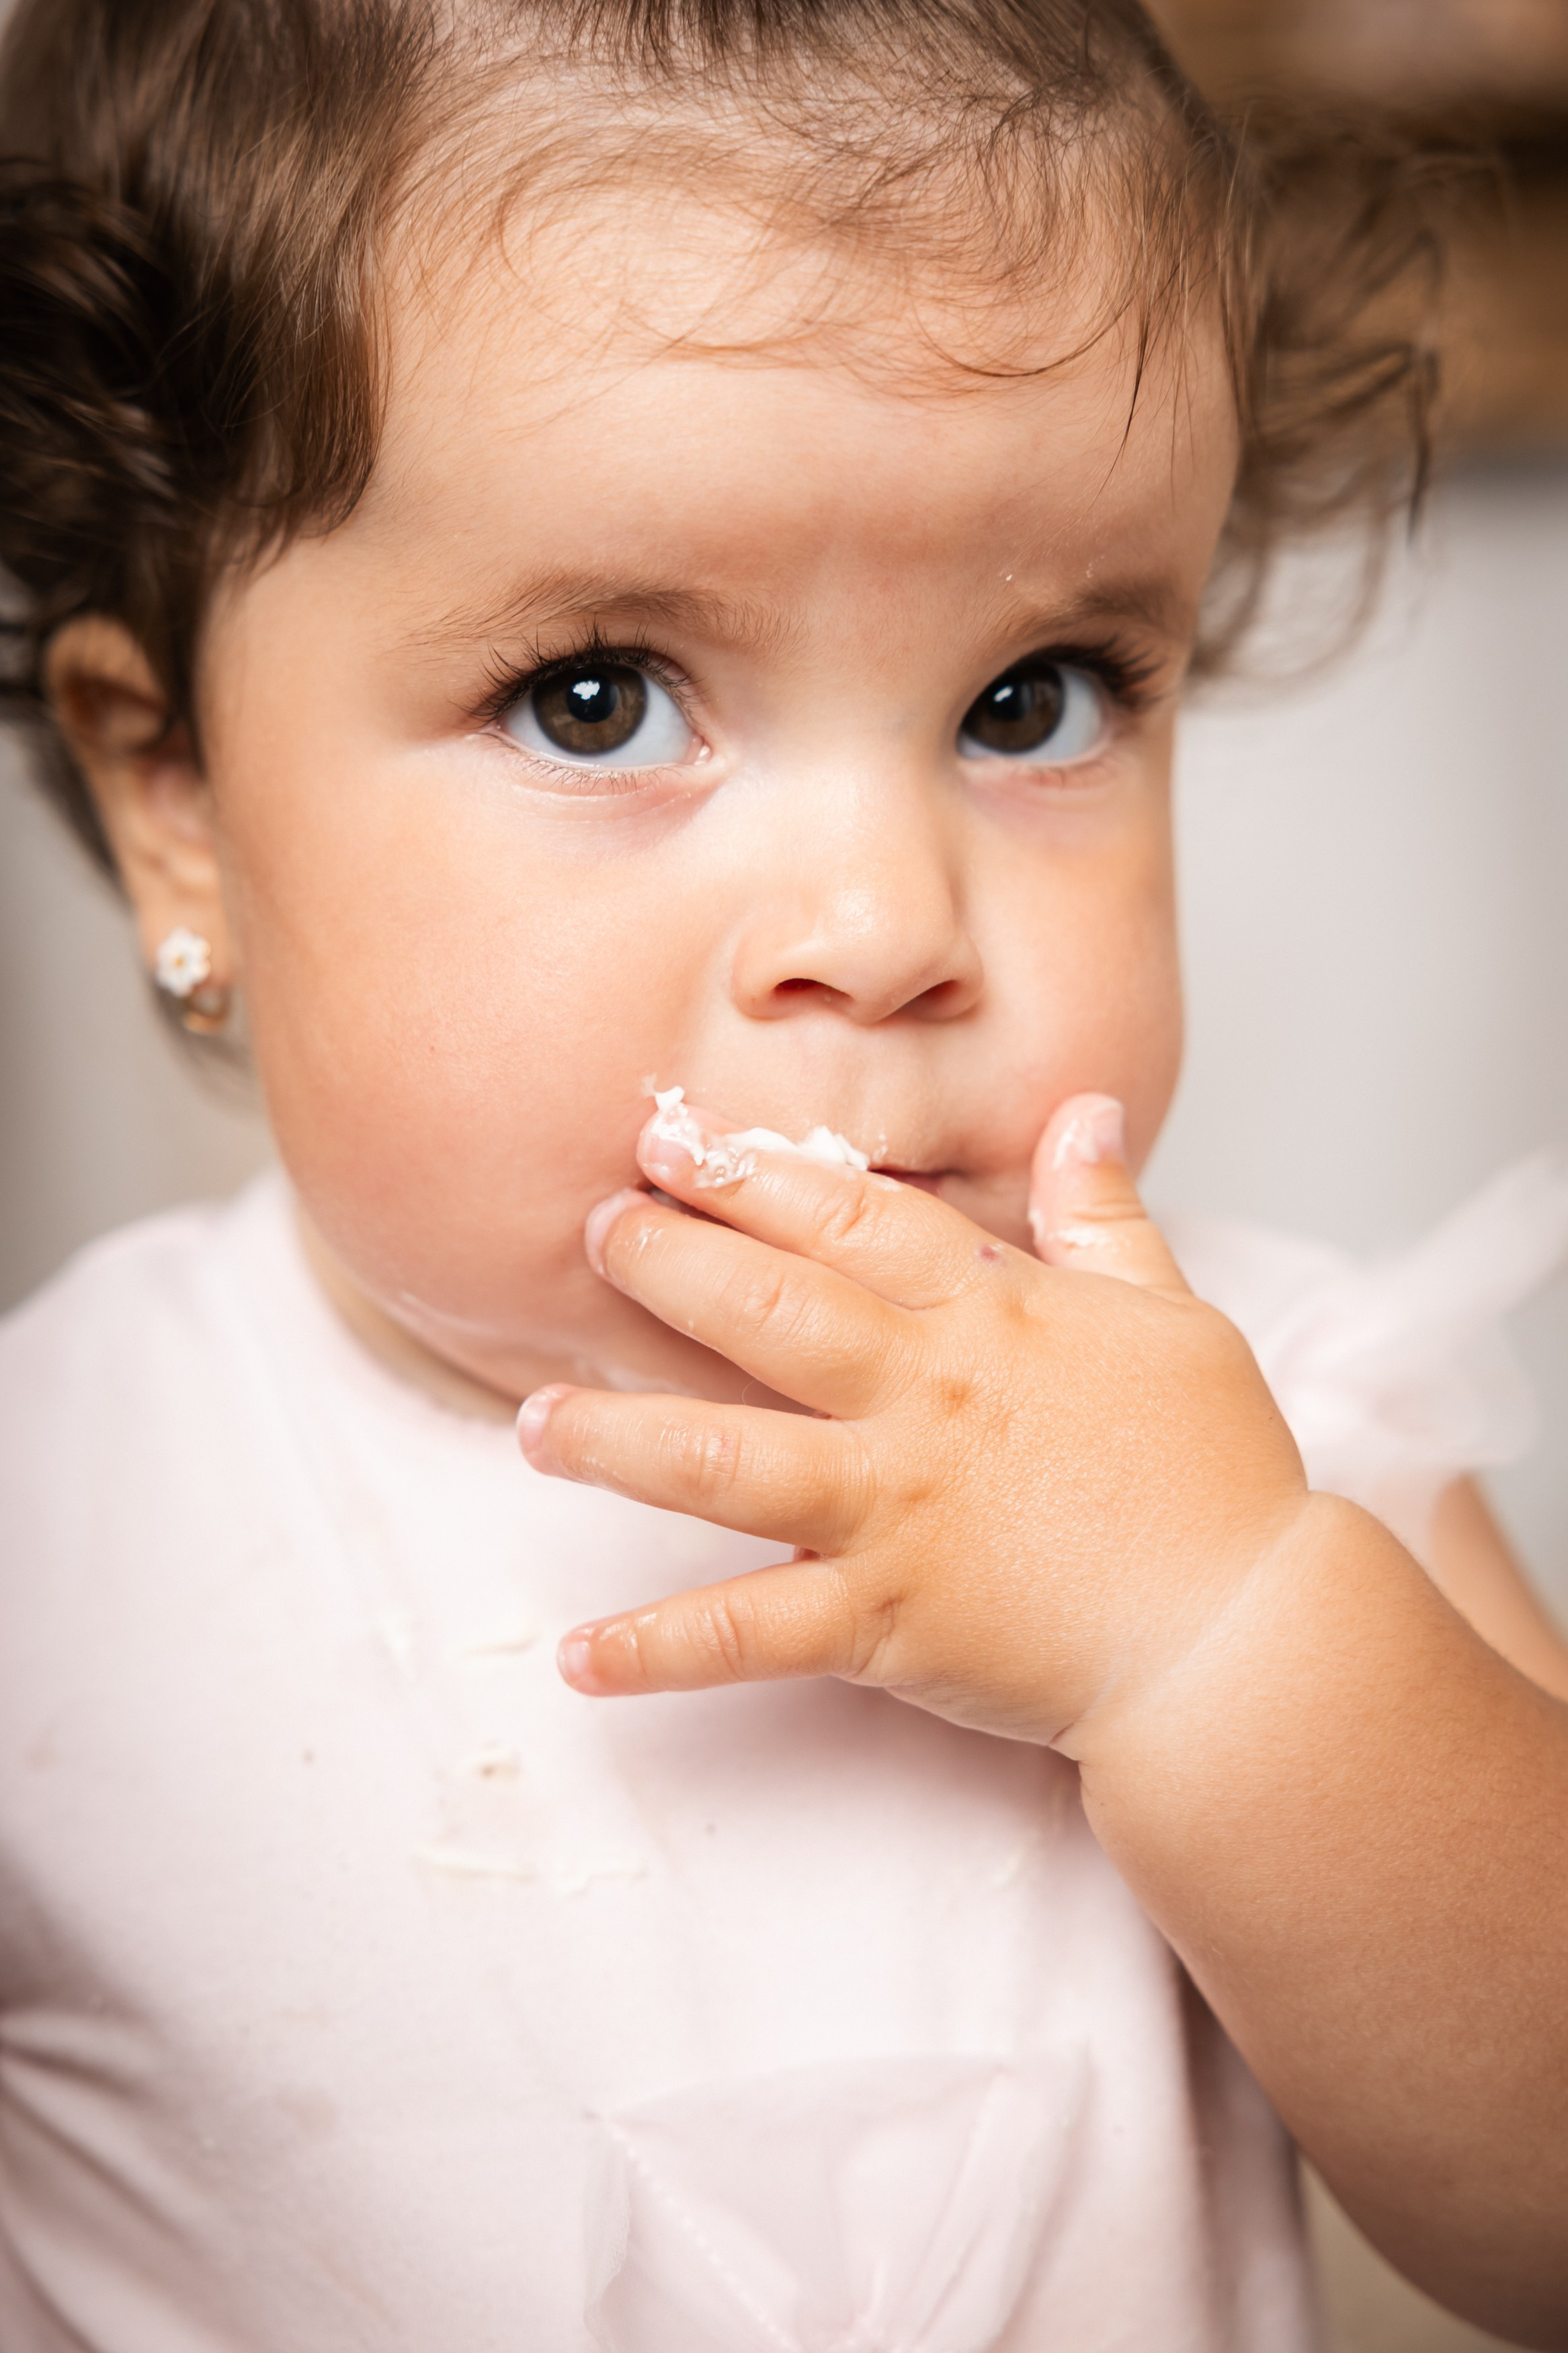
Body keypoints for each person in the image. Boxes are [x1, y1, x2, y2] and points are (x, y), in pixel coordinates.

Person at [1, 2, 1565, 2346]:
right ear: (178, 801)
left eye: (1034, 695)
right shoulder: (63, 1523)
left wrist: (1220, 1632)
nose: (890, 925)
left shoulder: (1275, 1434)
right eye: (600, 693)